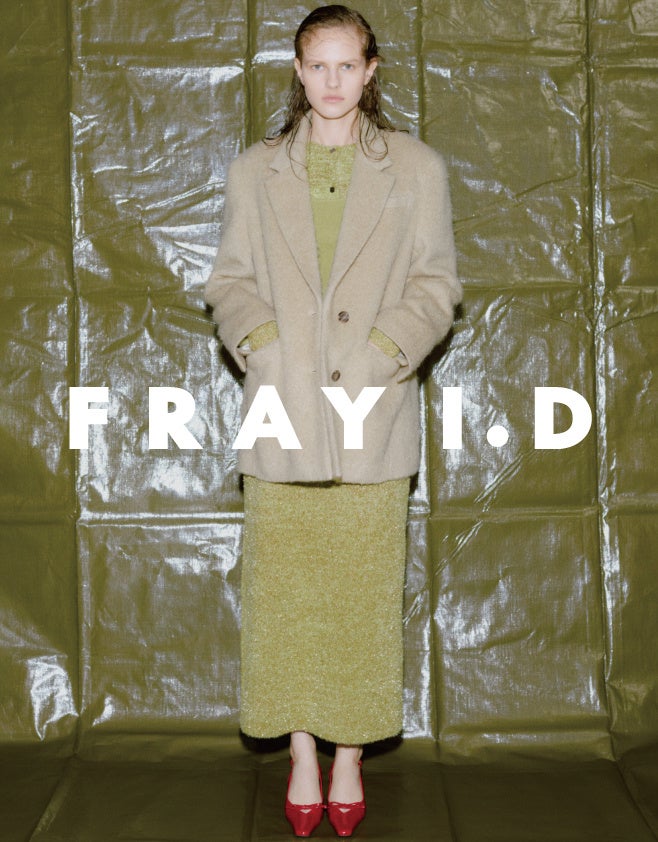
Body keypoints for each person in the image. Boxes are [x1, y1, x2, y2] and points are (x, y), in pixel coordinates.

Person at [204, 4, 461, 837]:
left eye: (348, 65)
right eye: (318, 65)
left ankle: (349, 754)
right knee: (285, 598)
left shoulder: (417, 169)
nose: (332, 82)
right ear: (298, 69)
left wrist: (388, 349)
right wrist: (263, 343)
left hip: (372, 414)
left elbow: (436, 283)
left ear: (372, 70)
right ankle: (302, 752)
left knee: (360, 596)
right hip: (281, 411)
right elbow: (229, 280)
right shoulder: (254, 172)